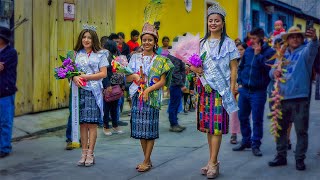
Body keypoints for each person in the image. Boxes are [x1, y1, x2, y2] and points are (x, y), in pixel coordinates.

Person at [189, 2, 239, 178]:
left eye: (217, 20)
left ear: (222, 23)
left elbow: (234, 68)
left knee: (216, 127)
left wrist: (232, 88)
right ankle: (213, 161)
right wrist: (196, 70)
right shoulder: (201, 43)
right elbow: (194, 64)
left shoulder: (229, 43)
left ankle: (213, 163)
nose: (213, 23)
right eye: (210, 20)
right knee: (209, 127)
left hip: (221, 90)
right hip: (205, 88)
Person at [268, 26, 318, 171]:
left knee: (301, 131)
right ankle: (281, 156)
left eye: (298, 36)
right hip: (281, 98)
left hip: (300, 98)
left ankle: (299, 159)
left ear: (302, 39)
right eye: (292, 36)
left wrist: (314, 38)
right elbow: (271, 71)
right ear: (287, 40)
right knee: (281, 130)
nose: (295, 39)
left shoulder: (306, 53)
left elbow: (314, 46)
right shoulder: (281, 54)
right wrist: (274, 73)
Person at [126, 22, 174, 172]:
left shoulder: (161, 60)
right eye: (144, 39)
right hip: (137, 97)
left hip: (151, 98)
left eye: (150, 40)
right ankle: (147, 159)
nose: (147, 42)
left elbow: (163, 81)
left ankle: (146, 161)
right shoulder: (134, 58)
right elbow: (127, 78)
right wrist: (133, 76)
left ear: (155, 43)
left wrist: (148, 90)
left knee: (150, 129)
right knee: (140, 129)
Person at [233, 27, 275, 156]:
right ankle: (246, 141)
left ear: (261, 38)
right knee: (242, 117)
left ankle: (256, 144)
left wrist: (258, 56)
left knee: (257, 119)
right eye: (250, 38)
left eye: (254, 38)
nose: (251, 41)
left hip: (258, 91)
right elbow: (241, 67)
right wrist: (240, 82)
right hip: (244, 90)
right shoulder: (248, 51)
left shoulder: (270, 52)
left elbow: (269, 71)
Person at [72, 26, 108, 166]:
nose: (86, 40)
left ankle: (91, 153)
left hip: (94, 91)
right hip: (80, 91)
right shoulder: (76, 54)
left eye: (89, 37)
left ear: (94, 40)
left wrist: (86, 77)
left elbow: (103, 73)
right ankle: (83, 152)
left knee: (92, 124)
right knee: (83, 123)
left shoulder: (101, 54)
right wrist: (74, 78)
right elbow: (71, 72)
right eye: (84, 37)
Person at [0, 26, 18, 158]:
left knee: (5, 121)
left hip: (6, 91)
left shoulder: (11, 53)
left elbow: (1, 67)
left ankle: (4, 147)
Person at [102, 40, 125, 136]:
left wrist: (123, 84)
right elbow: (104, 73)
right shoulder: (105, 57)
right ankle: (106, 126)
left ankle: (115, 125)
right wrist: (107, 86)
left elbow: (123, 71)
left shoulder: (117, 57)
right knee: (106, 108)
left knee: (115, 107)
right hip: (109, 85)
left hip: (117, 85)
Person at [167, 37, 187, 133]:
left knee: (175, 104)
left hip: (176, 84)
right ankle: (173, 124)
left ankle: (175, 122)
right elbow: (175, 72)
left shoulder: (177, 55)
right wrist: (181, 84)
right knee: (174, 104)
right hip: (175, 84)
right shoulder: (174, 55)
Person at [230, 42, 248, 144]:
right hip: (234, 90)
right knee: (234, 113)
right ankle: (233, 134)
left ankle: (246, 135)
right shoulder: (232, 62)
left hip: (245, 90)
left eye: (241, 49)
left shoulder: (249, 61)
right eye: (238, 50)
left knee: (245, 114)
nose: (239, 52)